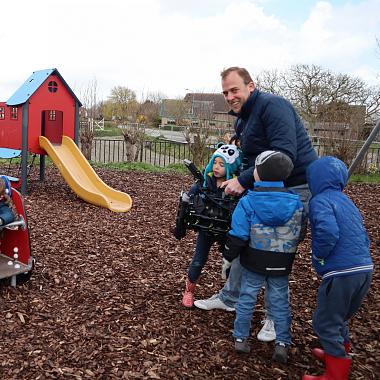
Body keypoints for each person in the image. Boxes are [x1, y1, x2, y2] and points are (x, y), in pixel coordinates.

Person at [194, 66, 318, 343]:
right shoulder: (243, 118)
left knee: (276, 253)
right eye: (225, 92)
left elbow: (283, 159)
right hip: (263, 186)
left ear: (251, 86)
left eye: (234, 90)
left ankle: (274, 319)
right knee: (243, 239)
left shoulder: (274, 107)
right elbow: (251, 155)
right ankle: (231, 297)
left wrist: (244, 180)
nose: (229, 96)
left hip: (293, 186)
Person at [221, 150, 304, 364]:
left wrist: (228, 257)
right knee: (279, 302)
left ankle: (240, 338)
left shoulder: (248, 202)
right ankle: (282, 343)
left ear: (257, 174)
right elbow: (300, 232)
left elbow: (238, 234)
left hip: (254, 260)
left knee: (247, 297)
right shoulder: (296, 203)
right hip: (281, 262)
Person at [302, 156, 373, 380]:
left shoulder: (320, 201)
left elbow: (328, 232)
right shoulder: (346, 200)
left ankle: (336, 373)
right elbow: (362, 233)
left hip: (341, 272)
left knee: (325, 321)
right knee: (339, 316)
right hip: (364, 268)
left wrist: (319, 255)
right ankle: (339, 352)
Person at [178, 144, 242, 308]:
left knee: (229, 262)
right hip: (206, 228)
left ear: (230, 167)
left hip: (227, 230)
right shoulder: (205, 182)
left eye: (222, 165)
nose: (216, 167)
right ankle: (189, 290)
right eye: (215, 163)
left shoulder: (235, 187)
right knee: (198, 260)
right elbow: (191, 195)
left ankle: (229, 294)